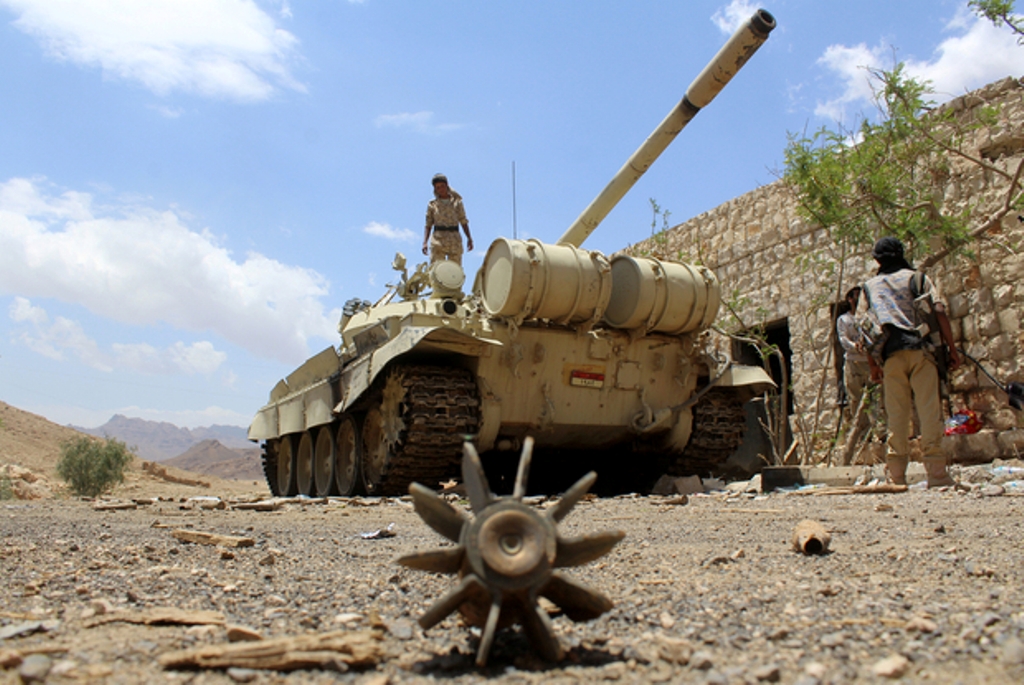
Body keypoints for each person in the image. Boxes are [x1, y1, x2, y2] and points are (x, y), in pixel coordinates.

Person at [858, 237, 961, 488]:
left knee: (897, 416)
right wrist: (952, 349)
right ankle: (937, 474)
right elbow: (938, 311)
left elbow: (864, 327)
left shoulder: (869, 287)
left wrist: (873, 365)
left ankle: (896, 476)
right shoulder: (917, 278)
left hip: (890, 357)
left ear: (877, 260)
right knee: (929, 412)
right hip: (921, 351)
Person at [837, 286, 871, 422]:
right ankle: (862, 429)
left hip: (869, 361)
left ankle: (880, 431)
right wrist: (855, 346)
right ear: (850, 299)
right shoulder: (844, 320)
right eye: (857, 296)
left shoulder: (867, 317)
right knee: (855, 397)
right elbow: (843, 339)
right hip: (853, 361)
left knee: (875, 395)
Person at [423, 173, 473, 265]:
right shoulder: (432, 205)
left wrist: (469, 238)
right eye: (437, 187)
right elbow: (428, 224)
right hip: (438, 241)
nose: (440, 189)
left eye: (442, 186)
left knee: (454, 271)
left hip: (454, 240)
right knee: (436, 270)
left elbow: (463, 220)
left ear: (446, 185)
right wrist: (425, 242)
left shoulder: (457, 203)